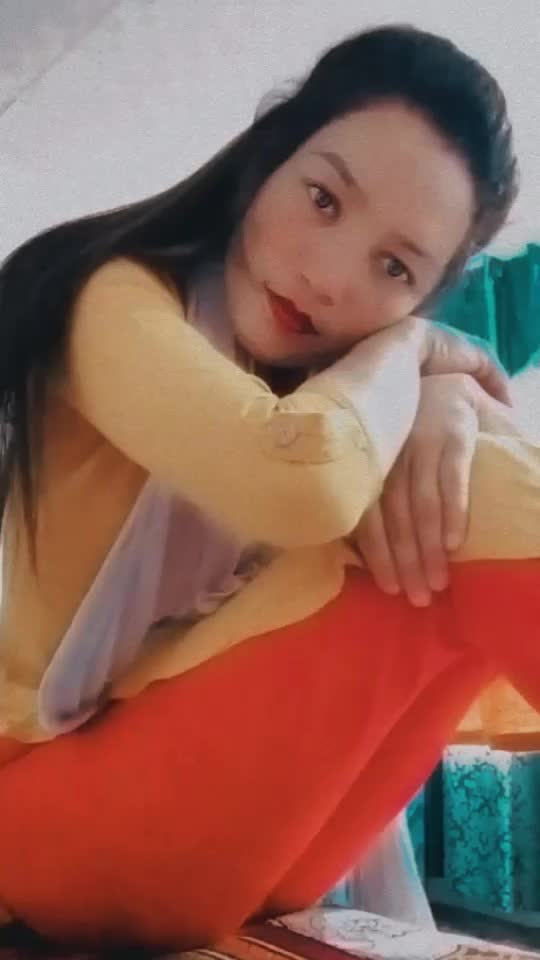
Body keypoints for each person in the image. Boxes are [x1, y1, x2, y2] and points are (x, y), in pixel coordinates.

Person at [0, 23, 539, 950]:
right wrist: (413, 351)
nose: (328, 277)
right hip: (32, 808)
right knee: (468, 493)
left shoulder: (332, 395)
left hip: (225, 835)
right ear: (269, 152)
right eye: (324, 198)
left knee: (444, 490)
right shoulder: (114, 298)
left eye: (395, 270)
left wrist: (442, 397)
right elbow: (299, 482)